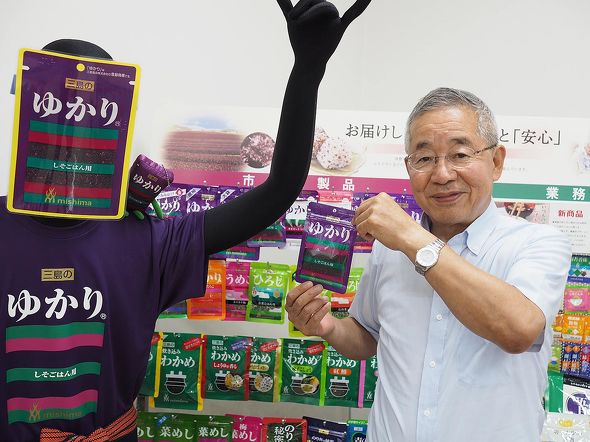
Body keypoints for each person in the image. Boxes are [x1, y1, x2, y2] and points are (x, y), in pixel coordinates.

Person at [0, 1, 371, 440]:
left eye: (93, 110)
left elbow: (278, 191)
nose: (74, 127)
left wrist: (308, 70)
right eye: (56, 104)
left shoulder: (147, 239)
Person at [287, 87, 572, 441]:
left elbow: (518, 330)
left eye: (460, 154)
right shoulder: (389, 249)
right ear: (409, 167)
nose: (442, 174)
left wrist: (412, 238)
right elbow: (367, 336)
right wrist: (329, 327)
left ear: (496, 162)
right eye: (424, 159)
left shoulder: (537, 243)